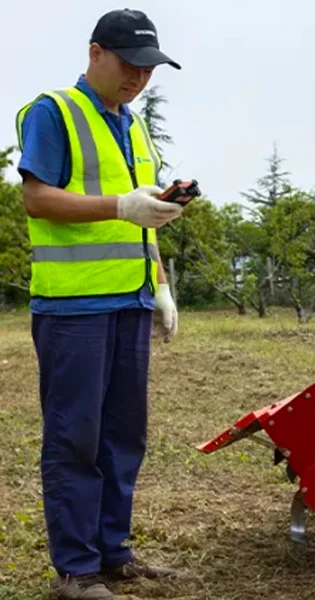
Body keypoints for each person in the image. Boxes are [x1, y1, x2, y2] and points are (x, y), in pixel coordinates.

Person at [15, 9, 185, 599]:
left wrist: (159, 283)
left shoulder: (134, 127)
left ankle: (114, 553)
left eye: (149, 69)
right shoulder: (53, 112)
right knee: (75, 438)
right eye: (130, 65)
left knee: (123, 436)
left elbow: (145, 217)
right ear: (95, 54)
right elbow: (37, 198)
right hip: (74, 308)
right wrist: (119, 207)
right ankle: (77, 571)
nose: (140, 77)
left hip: (130, 301)